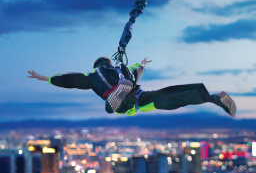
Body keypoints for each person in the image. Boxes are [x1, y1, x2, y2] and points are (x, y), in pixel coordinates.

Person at [28, 57, 236, 117]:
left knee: (111, 108)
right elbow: (137, 71)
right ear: (108, 63)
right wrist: (142, 64)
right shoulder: (121, 69)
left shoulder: (91, 76)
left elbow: (69, 80)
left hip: (121, 101)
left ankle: (116, 96)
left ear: (96, 66)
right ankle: (213, 98)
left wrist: (46, 78)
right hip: (138, 95)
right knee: (168, 98)